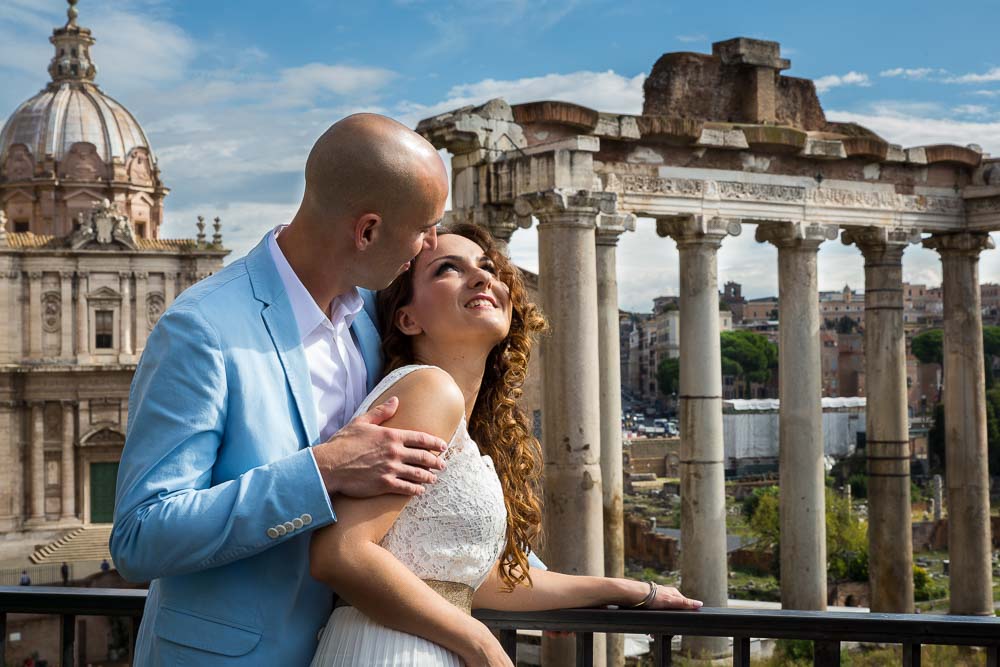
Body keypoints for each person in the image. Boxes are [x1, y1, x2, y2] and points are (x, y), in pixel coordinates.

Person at [110, 114, 454, 665]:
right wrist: (324, 470)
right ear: (366, 231)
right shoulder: (202, 327)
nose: (430, 243)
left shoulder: (371, 321)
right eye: (425, 227)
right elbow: (140, 537)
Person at [308, 224, 702, 667]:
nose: (482, 278)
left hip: (416, 647)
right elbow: (339, 553)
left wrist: (621, 589)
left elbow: (475, 580)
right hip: (389, 652)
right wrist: (480, 642)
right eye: (447, 270)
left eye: (488, 267)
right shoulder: (429, 389)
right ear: (407, 318)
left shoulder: (459, 423)